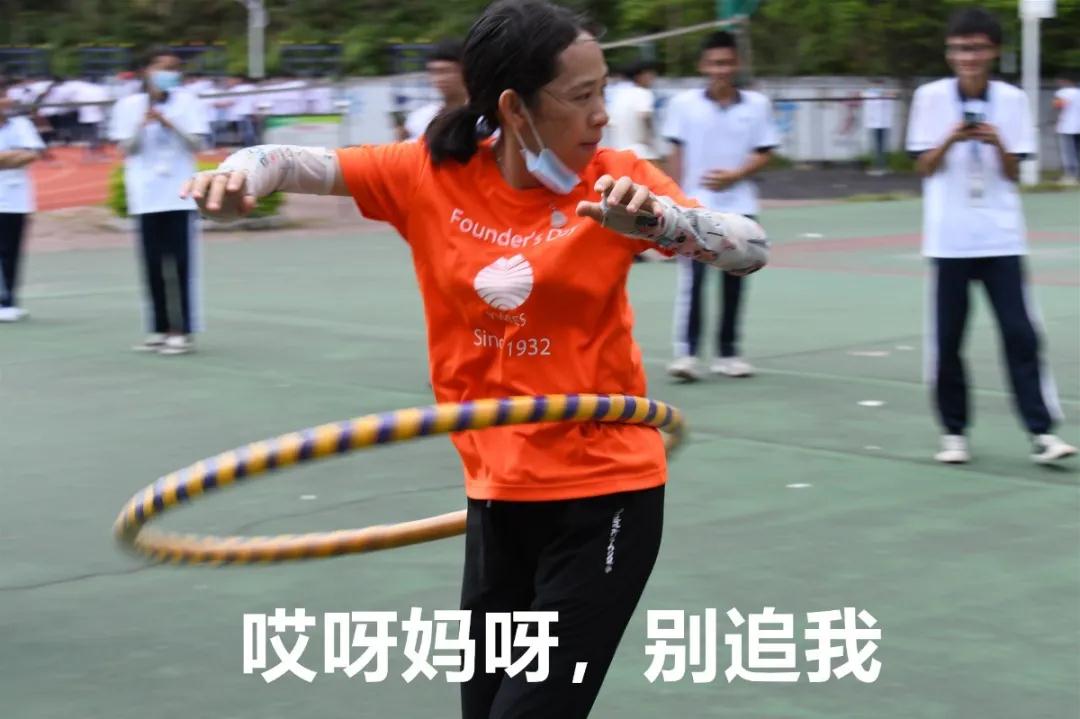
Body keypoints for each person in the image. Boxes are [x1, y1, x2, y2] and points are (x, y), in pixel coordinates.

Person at [182, 2, 768, 715]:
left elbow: (750, 247)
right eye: (582, 96)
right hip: (497, 493)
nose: (602, 115)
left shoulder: (617, 180)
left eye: (604, 91)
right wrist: (238, 174)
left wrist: (663, 221)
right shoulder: (429, 174)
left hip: (606, 492)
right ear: (515, 108)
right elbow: (287, 162)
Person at [906, 7, 1076, 465]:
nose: (969, 57)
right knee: (947, 340)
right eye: (960, 49)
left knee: (1021, 334)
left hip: (1001, 237)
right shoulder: (930, 98)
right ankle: (954, 433)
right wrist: (950, 139)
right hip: (949, 239)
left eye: (978, 49)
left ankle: (1042, 432)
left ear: (994, 51)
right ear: (949, 53)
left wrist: (997, 142)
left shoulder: (1013, 100)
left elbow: (1014, 172)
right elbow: (923, 167)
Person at [662, 31, 779, 381]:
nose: (721, 70)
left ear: (737, 63)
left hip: (740, 206)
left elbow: (766, 151)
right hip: (695, 207)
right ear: (702, 65)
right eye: (714, 63)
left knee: (735, 280)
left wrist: (736, 175)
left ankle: (728, 354)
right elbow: (675, 154)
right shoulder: (683, 105)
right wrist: (673, 201)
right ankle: (686, 354)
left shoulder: (757, 105)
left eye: (727, 63)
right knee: (694, 280)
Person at [108, 47, 210, 355]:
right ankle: (158, 328)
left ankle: (183, 330)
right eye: (162, 67)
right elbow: (125, 149)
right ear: (147, 71)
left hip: (179, 195)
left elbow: (197, 143)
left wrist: (169, 124)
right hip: (145, 195)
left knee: (181, 265)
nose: (168, 74)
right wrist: (142, 125)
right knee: (152, 265)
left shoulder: (188, 102)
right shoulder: (128, 105)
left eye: (174, 69)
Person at [0, 90, 45, 322]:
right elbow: (22, 154)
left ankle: (9, 301)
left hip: (15, 198)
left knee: (11, 251)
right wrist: (15, 155)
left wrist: (6, 158)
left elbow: (33, 154)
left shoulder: (21, 124)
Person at [396, 39, 468, 141]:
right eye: (434, 72)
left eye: (446, 71)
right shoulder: (420, 117)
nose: (439, 78)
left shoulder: (483, 117)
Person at [606, 59, 659, 162]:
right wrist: (651, 143)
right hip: (640, 153)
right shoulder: (643, 93)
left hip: (618, 153)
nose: (653, 78)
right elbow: (644, 117)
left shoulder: (618, 95)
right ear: (640, 76)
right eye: (650, 74)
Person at [862, 77, 895, 176]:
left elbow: (893, 94)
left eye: (879, 84)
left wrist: (885, 94)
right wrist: (882, 94)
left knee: (883, 147)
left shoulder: (885, 93)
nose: (878, 86)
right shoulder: (869, 93)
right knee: (876, 147)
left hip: (884, 123)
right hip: (874, 123)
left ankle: (883, 166)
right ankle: (877, 166)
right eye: (876, 84)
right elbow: (864, 95)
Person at [1052, 77, 1080, 185]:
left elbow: (1058, 104)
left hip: (1068, 126)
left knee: (1068, 152)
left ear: (1065, 81)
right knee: (1077, 151)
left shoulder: (1063, 92)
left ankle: (1071, 175)